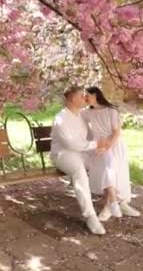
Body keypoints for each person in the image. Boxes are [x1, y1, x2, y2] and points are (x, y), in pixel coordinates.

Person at [50, 85, 111, 235]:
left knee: (105, 162)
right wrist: (95, 144)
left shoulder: (80, 116)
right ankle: (90, 216)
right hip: (63, 154)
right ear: (72, 98)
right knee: (79, 171)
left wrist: (101, 147)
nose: (85, 98)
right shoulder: (61, 118)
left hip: (81, 152)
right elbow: (70, 144)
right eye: (81, 96)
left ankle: (115, 201)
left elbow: (90, 136)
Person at [82, 86, 141, 221]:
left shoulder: (111, 111)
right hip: (99, 146)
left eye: (87, 95)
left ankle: (114, 205)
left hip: (114, 145)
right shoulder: (87, 113)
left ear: (96, 95)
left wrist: (107, 146)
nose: (85, 98)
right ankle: (112, 204)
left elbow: (116, 133)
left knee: (115, 172)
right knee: (108, 171)